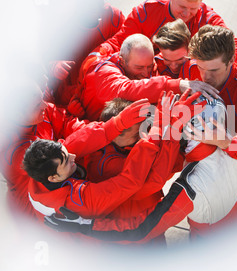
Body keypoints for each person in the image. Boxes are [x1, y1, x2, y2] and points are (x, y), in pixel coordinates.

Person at [43, 94, 237, 243]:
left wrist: (167, 130)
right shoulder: (233, 147)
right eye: (132, 129)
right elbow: (151, 180)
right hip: (124, 238)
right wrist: (166, 130)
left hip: (140, 231)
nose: (142, 133)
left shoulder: (190, 183)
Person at [22, 90, 204, 224]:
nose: (74, 156)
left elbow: (74, 143)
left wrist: (117, 124)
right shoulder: (83, 196)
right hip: (129, 228)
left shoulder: (45, 170)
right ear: (53, 177)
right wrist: (165, 132)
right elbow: (146, 181)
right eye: (67, 160)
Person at [0, 67, 146, 218]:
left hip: (60, 182)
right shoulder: (13, 151)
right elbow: (65, 151)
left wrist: (107, 132)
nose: (45, 106)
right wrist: (112, 128)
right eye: (36, 105)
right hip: (34, 212)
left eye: (42, 99)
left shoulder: (39, 112)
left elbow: (67, 123)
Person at [95, 0, 237, 85]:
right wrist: (98, 54)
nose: (186, 14)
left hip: (191, 84)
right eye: (182, 6)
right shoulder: (147, 11)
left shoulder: (207, 18)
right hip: (148, 81)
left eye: (193, 9)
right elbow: (122, 41)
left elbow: (229, 42)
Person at [183, 25, 237, 216]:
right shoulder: (191, 74)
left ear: (232, 59)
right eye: (200, 67)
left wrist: (227, 141)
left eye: (214, 70)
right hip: (205, 185)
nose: (206, 77)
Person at [72, 33, 219, 120]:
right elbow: (127, 89)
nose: (145, 73)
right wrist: (177, 84)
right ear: (122, 60)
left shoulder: (150, 65)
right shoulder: (103, 72)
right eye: (139, 67)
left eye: (149, 66)